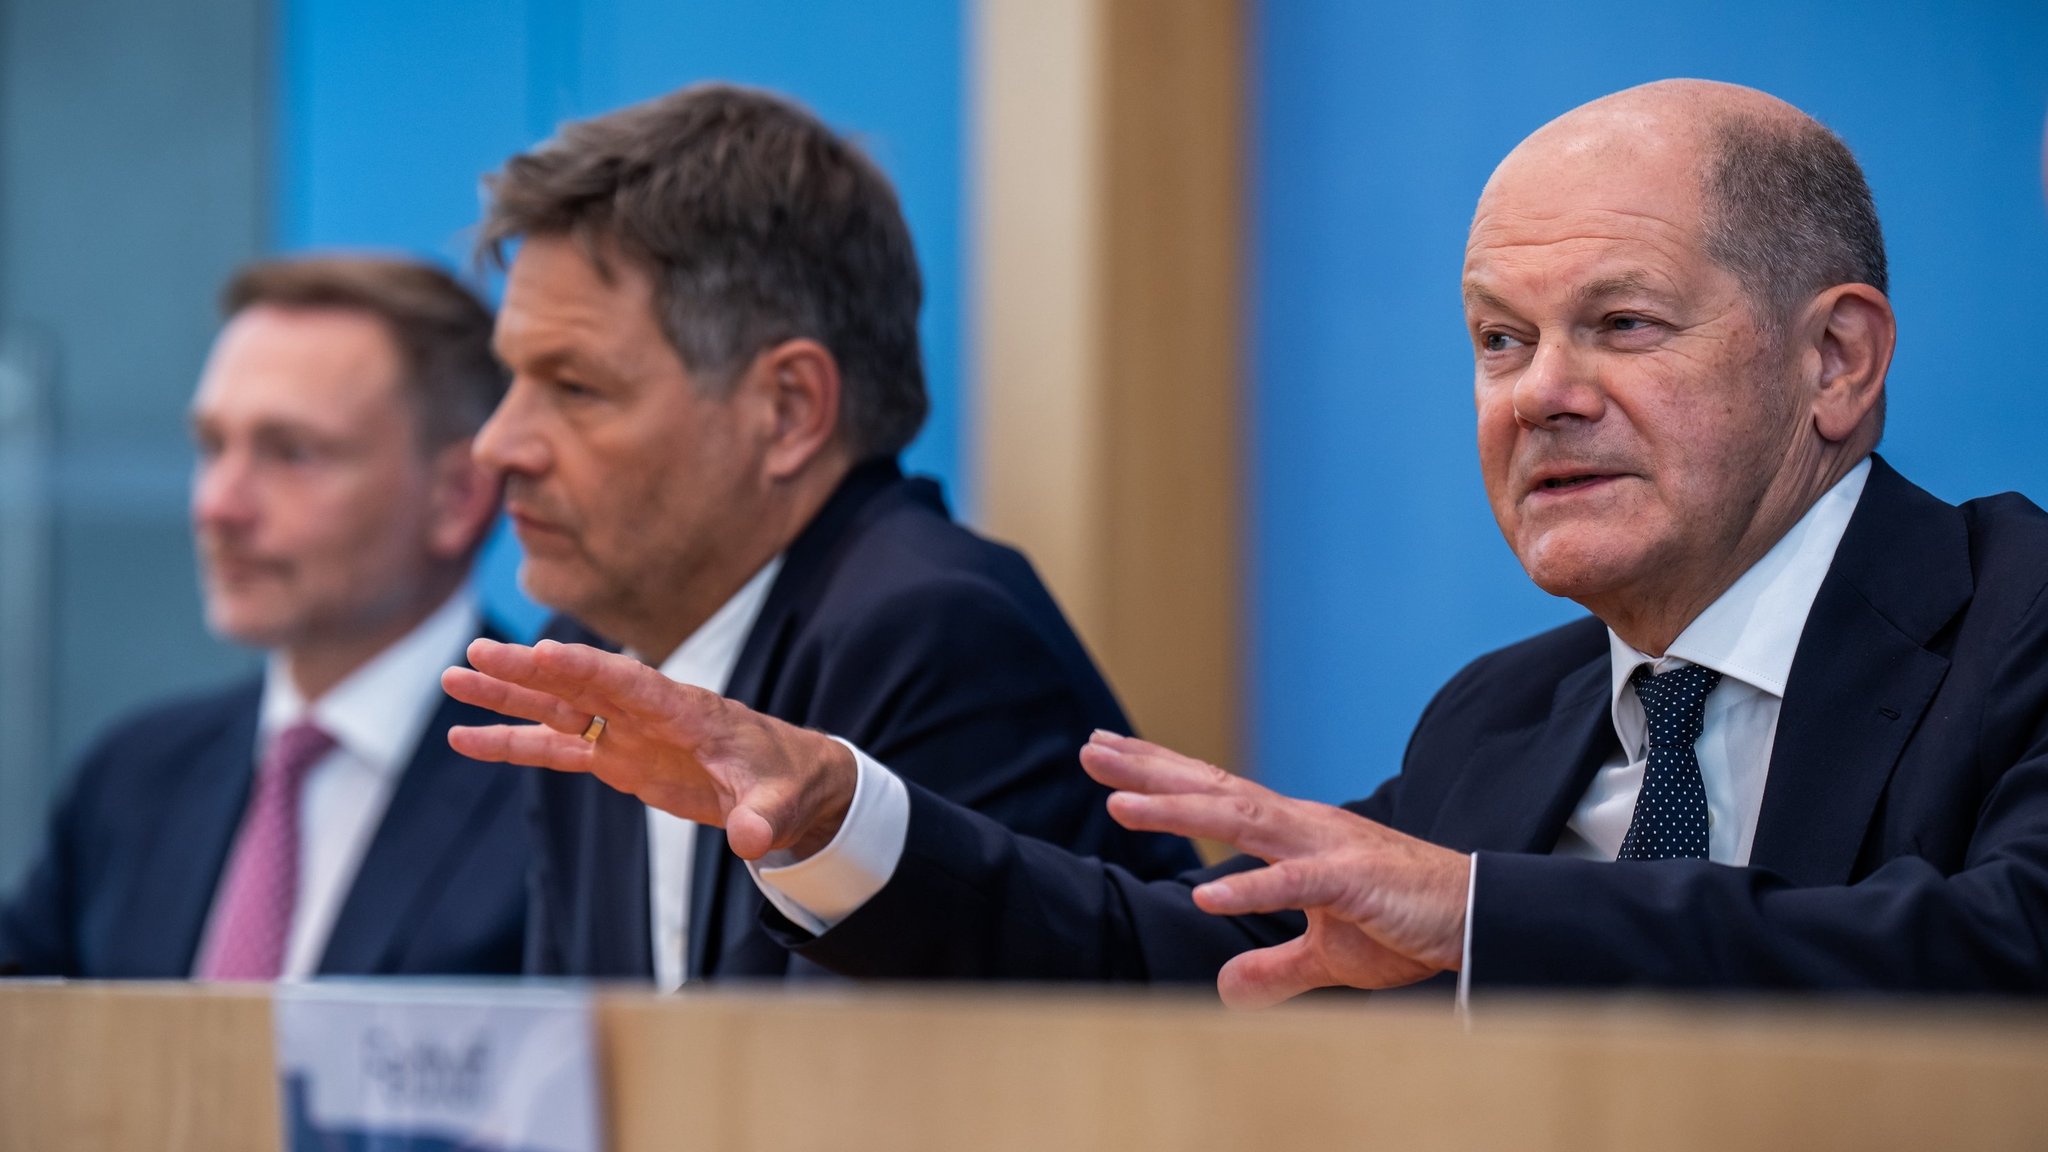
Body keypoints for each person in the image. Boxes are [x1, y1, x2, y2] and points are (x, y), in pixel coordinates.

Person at [446, 79, 2048, 1000]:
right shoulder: (1503, 720)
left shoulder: (2015, 617)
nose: (1542, 397)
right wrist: (826, 814)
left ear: (1837, 361)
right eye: (1497, 342)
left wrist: (1487, 918)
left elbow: (2003, 952)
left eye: (1619, 325)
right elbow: (1160, 958)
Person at [467, 83, 1196, 986]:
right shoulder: (585, 649)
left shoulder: (930, 633)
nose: (498, 444)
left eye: (575, 388)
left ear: (788, 409)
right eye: (512, 382)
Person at [0, 256, 527, 980]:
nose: (219, 505)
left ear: (458, 497)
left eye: (292, 454)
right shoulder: (130, 780)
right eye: (212, 446)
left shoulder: (564, 793)